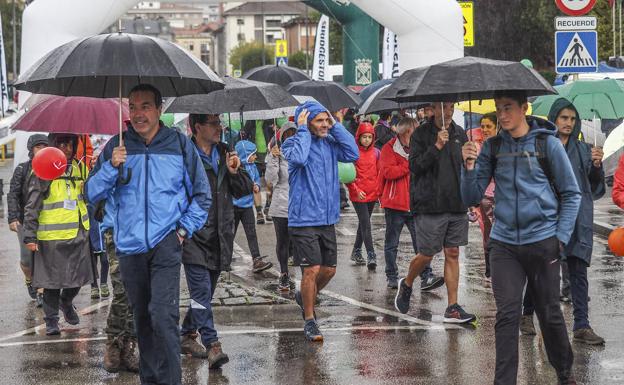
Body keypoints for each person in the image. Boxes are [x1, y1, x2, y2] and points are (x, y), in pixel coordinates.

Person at [86, 84, 211, 385]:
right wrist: (110, 168)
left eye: (145, 106)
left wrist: (181, 231)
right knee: (142, 317)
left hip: (166, 242)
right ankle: (151, 379)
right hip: (129, 246)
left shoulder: (179, 145)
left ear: (158, 109)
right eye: (133, 106)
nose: (138, 113)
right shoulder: (117, 145)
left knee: (163, 317)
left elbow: (202, 196)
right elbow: (91, 193)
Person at [461, 91, 581, 385]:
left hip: (543, 241)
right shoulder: (492, 147)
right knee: (507, 314)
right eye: (499, 109)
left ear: (524, 108)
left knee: (549, 313)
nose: (502, 115)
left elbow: (572, 193)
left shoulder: (547, 144)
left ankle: (564, 373)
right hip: (504, 245)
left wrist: (560, 238)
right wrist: (468, 167)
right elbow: (472, 196)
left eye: (508, 108)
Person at [519, 98, 605, 345]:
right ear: (555, 119)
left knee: (578, 271)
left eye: (572, 119)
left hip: (578, 218)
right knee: (542, 270)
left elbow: (593, 184)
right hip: (549, 218)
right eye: (564, 118)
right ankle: (527, 314)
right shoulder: (545, 146)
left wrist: (597, 166)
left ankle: (582, 325)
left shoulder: (584, 150)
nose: (568, 123)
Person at [180, 113, 253, 368]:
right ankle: (212, 345)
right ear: (198, 127)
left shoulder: (226, 153)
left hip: (221, 235)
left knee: (206, 294)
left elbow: (244, 190)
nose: (220, 127)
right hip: (193, 235)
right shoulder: (184, 154)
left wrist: (235, 171)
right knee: (200, 293)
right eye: (213, 123)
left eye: (219, 122)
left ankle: (187, 334)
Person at [282, 100, 359, 341]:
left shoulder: (330, 143)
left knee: (329, 270)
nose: (325, 124)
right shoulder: (292, 143)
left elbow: (353, 153)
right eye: (320, 121)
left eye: (327, 120)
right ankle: (309, 320)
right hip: (303, 219)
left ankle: (305, 295)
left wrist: (336, 125)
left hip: (327, 218)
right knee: (311, 269)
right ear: (306, 121)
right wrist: (303, 129)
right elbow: (300, 160)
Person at [394, 102, 475, 324]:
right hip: (429, 203)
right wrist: (437, 146)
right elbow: (415, 167)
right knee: (428, 253)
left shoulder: (460, 132)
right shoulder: (421, 134)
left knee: (453, 253)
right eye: (444, 107)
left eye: (451, 107)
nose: (448, 112)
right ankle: (408, 282)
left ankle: (452, 307)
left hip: (456, 202)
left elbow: (463, 168)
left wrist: (469, 159)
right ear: (433, 108)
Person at [23, 133, 93, 335]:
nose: (66, 148)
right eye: (61, 143)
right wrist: (29, 236)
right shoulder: (43, 167)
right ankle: (51, 321)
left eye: (69, 143)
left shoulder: (80, 167)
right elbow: (32, 204)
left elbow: (86, 196)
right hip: (51, 237)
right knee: (51, 284)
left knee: (80, 278)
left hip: (77, 234)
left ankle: (67, 301)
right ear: (53, 145)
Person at [378, 118, 442, 290]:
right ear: (406, 133)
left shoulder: (419, 148)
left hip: (416, 203)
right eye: (414, 132)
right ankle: (391, 276)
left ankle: (426, 276)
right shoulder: (388, 148)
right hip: (395, 204)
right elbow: (388, 172)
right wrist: (409, 165)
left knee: (421, 244)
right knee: (392, 243)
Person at [99, 198, 139, 373]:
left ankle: (129, 345)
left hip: (142, 229)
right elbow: (94, 190)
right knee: (122, 290)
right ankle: (114, 341)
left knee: (136, 291)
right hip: (116, 229)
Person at [7, 134, 48, 305]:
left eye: (44, 146)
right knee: (26, 259)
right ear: (31, 149)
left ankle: (41, 292)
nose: (41, 150)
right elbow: (13, 194)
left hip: (46, 221)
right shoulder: (22, 169)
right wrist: (13, 217)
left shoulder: (50, 168)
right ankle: (29, 280)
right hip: (25, 220)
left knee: (42, 257)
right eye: (38, 146)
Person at [232, 139, 273, 273]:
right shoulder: (235, 168)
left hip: (247, 206)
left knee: (251, 233)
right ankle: (224, 259)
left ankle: (256, 259)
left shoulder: (253, 167)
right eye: (253, 154)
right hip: (234, 206)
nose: (255, 157)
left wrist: (256, 185)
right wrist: (251, 185)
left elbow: (256, 181)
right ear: (245, 154)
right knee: (229, 234)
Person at [266, 121, 298, 292]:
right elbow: (270, 180)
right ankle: (284, 273)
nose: (291, 138)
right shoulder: (276, 154)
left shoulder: (301, 153)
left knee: (298, 240)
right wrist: (273, 157)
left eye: (294, 134)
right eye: (287, 135)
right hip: (281, 204)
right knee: (283, 241)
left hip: (299, 204)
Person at [347, 122, 380, 269]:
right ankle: (371, 254)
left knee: (363, 223)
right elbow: (348, 175)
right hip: (358, 194)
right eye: (364, 137)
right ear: (358, 137)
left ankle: (356, 251)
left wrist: (379, 191)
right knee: (366, 223)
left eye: (369, 137)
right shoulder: (353, 152)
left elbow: (379, 173)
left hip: (372, 193)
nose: (366, 139)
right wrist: (355, 189)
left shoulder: (376, 153)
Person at [474, 113, 498, 279]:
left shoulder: (503, 146)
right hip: (485, 197)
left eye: (488, 126)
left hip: (502, 196)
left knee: (501, 236)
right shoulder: (478, 147)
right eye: (482, 126)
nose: (485, 130)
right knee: (487, 235)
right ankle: (490, 268)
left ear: (497, 127)